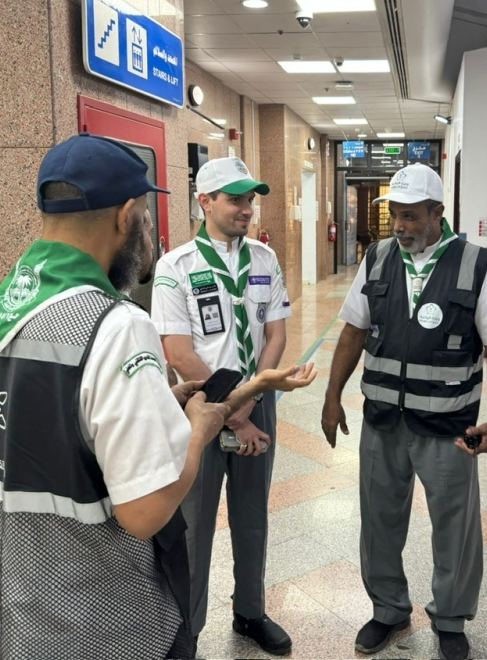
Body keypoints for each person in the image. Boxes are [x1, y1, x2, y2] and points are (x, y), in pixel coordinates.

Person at [0, 134, 315, 660]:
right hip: (92, 617)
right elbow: (144, 513)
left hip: (5, 610)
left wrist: (162, 399)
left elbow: (56, 430)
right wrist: (201, 429)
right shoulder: (114, 325)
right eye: (142, 215)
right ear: (126, 216)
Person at [321, 163, 487, 660]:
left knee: (454, 525)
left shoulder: (475, 264)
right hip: (384, 419)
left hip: (450, 426)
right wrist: (331, 395)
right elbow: (353, 330)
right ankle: (387, 609)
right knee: (379, 519)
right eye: (395, 217)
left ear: (437, 212)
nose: (401, 227)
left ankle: (450, 617)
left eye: (411, 216)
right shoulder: (379, 258)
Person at [151, 157, 292, 656]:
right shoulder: (176, 267)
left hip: (257, 404)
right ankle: (186, 629)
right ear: (204, 202)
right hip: (200, 412)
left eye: (251, 199)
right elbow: (177, 351)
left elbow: (275, 333)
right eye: (235, 199)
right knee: (194, 525)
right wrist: (235, 412)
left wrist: (252, 399)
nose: (247, 209)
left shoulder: (264, 260)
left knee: (252, 518)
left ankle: (250, 612)